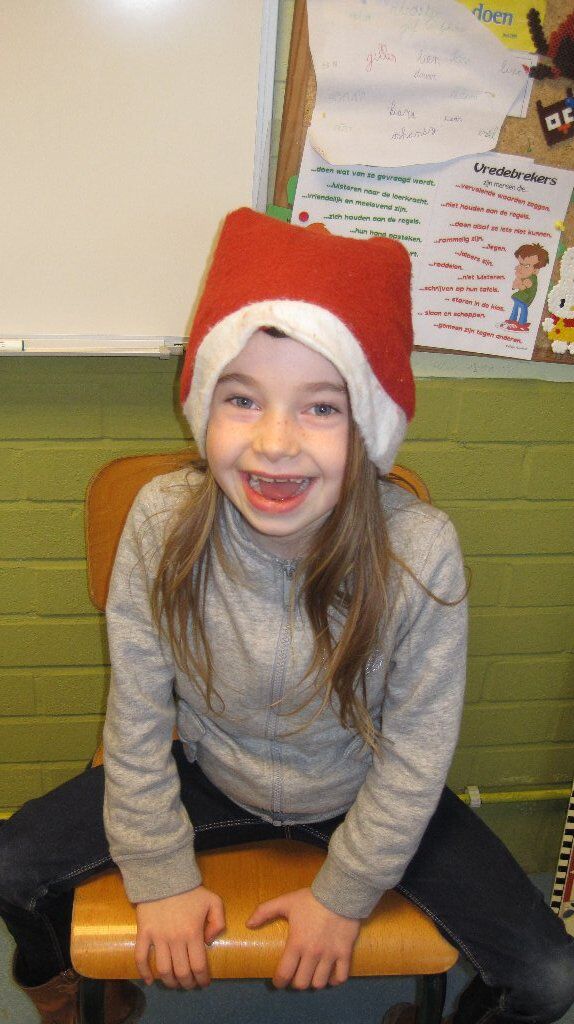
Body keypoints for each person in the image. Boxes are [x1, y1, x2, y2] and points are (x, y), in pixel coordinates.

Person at [0, 209, 573, 1024]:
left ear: (368, 424)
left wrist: (345, 894)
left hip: (358, 787)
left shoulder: (420, 551)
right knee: (11, 864)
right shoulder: (163, 519)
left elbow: (416, 751)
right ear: (203, 408)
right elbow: (137, 712)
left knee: (549, 978)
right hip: (209, 770)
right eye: (242, 398)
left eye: (321, 407)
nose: (274, 442)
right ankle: (66, 986)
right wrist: (158, 874)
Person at [503, 243, 550, 332]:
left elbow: (522, 287)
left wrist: (518, 280)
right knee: (515, 307)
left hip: (526, 298)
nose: (521, 268)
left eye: (527, 266)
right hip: (520, 297)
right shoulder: (524, 276)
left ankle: (522, 323)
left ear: (535, 270)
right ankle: (512, 319)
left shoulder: (531, 279)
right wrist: (516, 282)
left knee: (523, 309)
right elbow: (514, 287)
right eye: (520, 264)